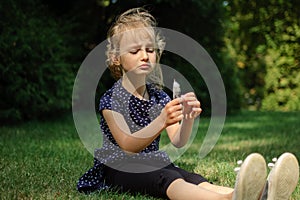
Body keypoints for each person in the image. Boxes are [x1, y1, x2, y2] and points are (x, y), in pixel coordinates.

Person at [77, 7, 299, 200]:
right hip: (120, 169)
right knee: (169, 179)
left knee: (193, 179)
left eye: (150, 50)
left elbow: (178, 141)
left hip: (154, 162)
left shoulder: (159, 97)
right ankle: (231, 198)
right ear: (117, 58)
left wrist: (188, 120)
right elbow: (127, 145)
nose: (144, 56)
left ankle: (262, 194)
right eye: (135, 51)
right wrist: (162, 120)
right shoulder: (112, 98)